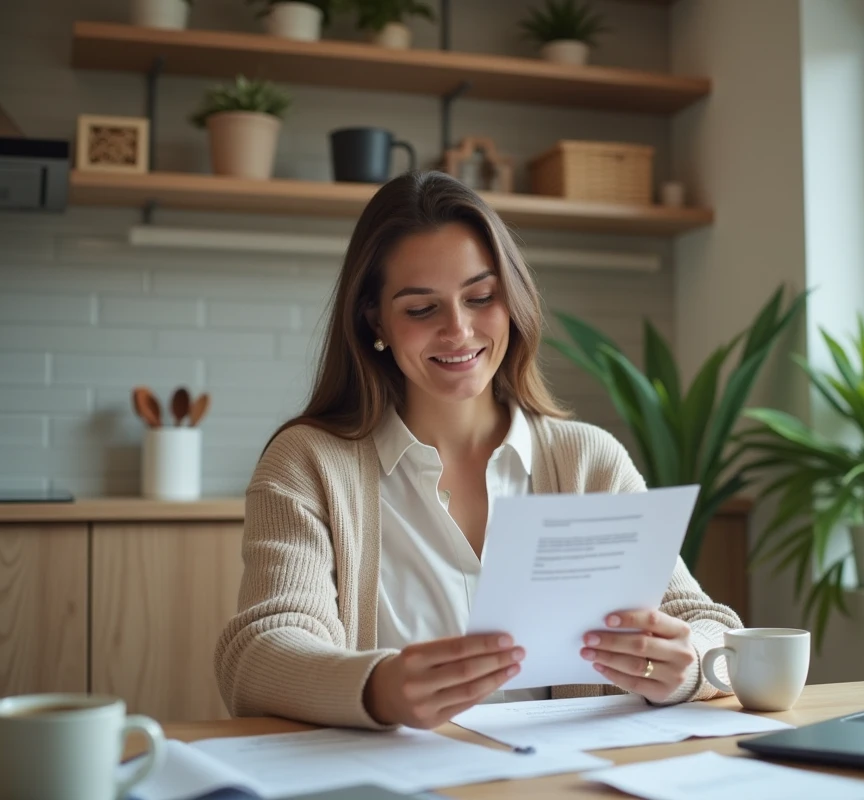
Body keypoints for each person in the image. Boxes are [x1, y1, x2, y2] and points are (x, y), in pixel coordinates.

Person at [214, 171, 742, 731]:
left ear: (512, 301)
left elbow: (713, 631)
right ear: (376, 321)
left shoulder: (589, 460)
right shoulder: (308, 464)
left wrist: (686, 669)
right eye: (421, 309)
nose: (458, 331)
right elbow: (258, 654)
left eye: (481, 297)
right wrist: (378, 690)